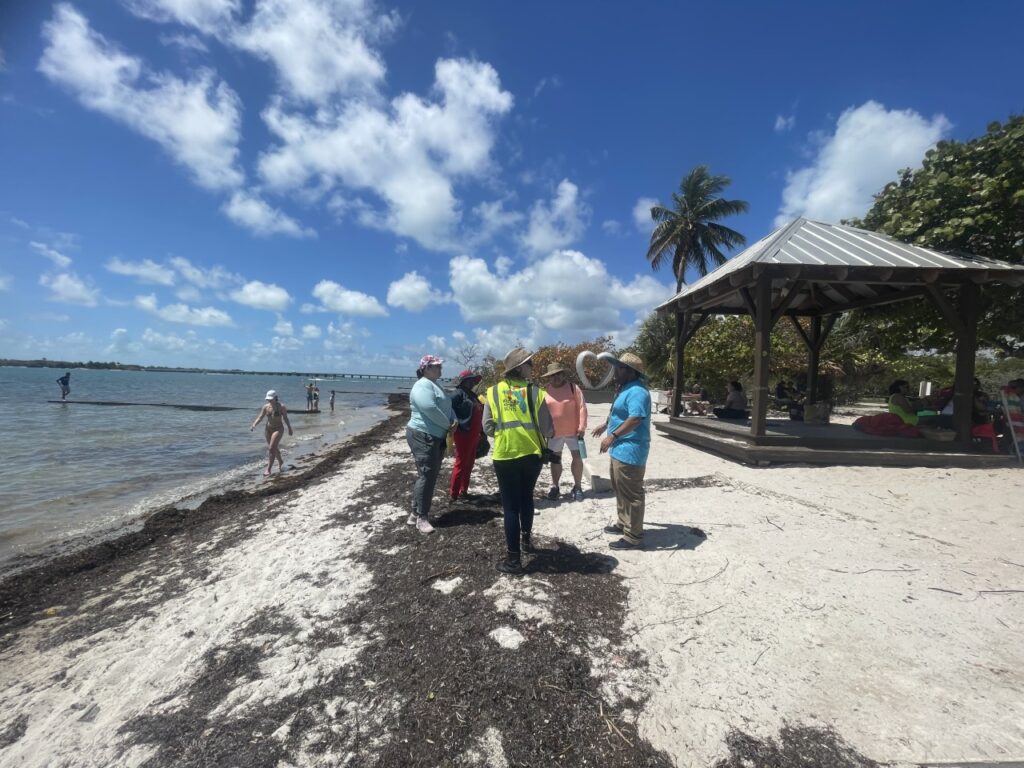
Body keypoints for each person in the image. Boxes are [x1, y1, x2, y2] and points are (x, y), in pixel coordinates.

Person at [483, 347, 553, 574]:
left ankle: (514, 560)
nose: (532, 367)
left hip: (505, 454)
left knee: (510, 507)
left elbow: (487, 427)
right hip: (531, 454)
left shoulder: (492, 392)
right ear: (521, 368)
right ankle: (526, 542)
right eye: (530, 363)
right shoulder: (536, 392)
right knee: (526, 499)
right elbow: (548, 429)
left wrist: (503, 433)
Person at [591, 353, 651, 550]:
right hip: (619, 449)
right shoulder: (625, 389)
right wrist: (605, 425)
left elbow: (635, 418)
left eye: (620, 368)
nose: (615, 371)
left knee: (632, 494)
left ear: (631, 372)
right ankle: (623, 523)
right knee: (620, 488)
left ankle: (633, 536)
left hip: (630, 450)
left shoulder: (637, 392)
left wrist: (613, 436)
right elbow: (618, 411)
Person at [407, 354, 454, 534]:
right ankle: (422, 517)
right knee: (426, 475)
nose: (440, 368)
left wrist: (452, 419)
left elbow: (444, 406)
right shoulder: (422, 385)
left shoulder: (433, 384)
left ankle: (414, 513)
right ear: (425, 368)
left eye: (440, 365)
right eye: (436, 366)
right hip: (423, 436)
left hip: (434, 436)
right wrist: (449, 425)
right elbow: (429, 409)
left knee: (428, 475)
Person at [540, 362, 588, 502]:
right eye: (553, 375)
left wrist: (582, 427)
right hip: (554, 433)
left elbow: (582, 407)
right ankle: (555, 487)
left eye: (559, 374)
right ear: (548, 377)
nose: (556, 377)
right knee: (555, 460)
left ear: (563, 374)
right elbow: (542, 413)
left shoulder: (574, 388)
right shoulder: (544, 390)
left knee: (577, 458)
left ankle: (577, 487)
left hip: (574, 432)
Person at [449, 370, 484, 500]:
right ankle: (454, 494)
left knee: (470, 463)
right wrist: (453, 422)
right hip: (463, 433)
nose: (473, 383)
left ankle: (464, 490)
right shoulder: (458, 394)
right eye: (470, 380)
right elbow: (447, 407)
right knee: (461, 463)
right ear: (464, 381)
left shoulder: (472, 395)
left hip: (474, 435)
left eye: (474, 380)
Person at [251, 390, 292, 476]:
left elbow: (285, 418)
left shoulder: (281, 407)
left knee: (271, 448)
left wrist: (289, 428)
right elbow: (260, 417)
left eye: (271, 399)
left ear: (275, 398)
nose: (269, 400)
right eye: (268, 399)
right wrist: (254, 424)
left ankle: (268, 469)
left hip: (278, 429)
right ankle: (281, 463)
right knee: (274, 448)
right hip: (268, 429)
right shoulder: (266, 407)